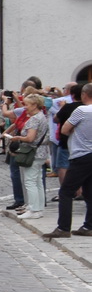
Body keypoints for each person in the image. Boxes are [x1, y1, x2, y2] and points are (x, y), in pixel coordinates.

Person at [42, 81, 92, 237]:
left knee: (66, 191)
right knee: (89, 191)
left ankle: (63, 228)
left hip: (81, 153)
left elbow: (64, 129)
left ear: (84, 94)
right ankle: (89, 226)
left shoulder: (81, 110)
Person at [5, 94, 50, 220]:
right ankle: (39, 208)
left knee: (30, 181)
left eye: (27, 104)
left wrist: (18, 138)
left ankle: (33, 209)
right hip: (41, 152)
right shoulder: (42, 116)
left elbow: (30, 138)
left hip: (33, 152)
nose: (25, 107)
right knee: (38, 181)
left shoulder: (34, 119)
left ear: (35, 105)